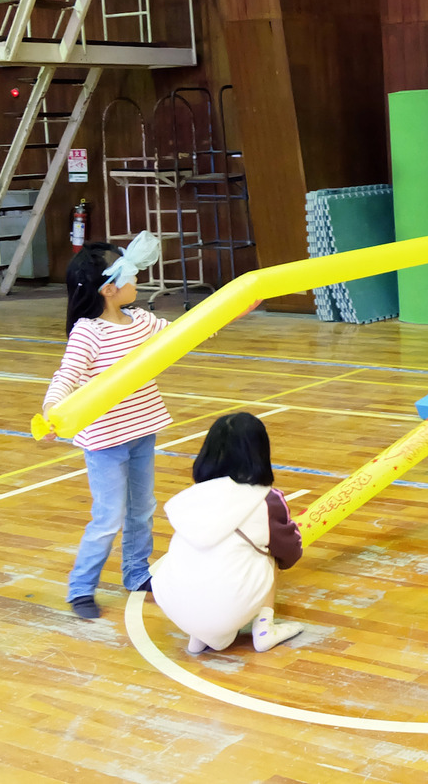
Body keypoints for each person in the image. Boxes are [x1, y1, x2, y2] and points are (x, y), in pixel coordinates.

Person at [42, 236, 170, 620]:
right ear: (110, 289)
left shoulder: (142, 321)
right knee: (109, 516)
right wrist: (52, 410)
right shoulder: (88, 332)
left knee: (143, 508)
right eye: (132, 278)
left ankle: (136, 573)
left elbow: (186, 333)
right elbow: (66, 375)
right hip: (104, 441)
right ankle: (81, 587)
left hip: (142, 429)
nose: (139, 284)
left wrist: (232, 312)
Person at [151, 412, 304, 654]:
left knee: (200, 553)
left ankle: (199, 634)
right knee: (271, 553)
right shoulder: (266, 500)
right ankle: (264, 629)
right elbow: (291, 551)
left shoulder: (192, 497)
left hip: (173, 606)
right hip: (226, 609)